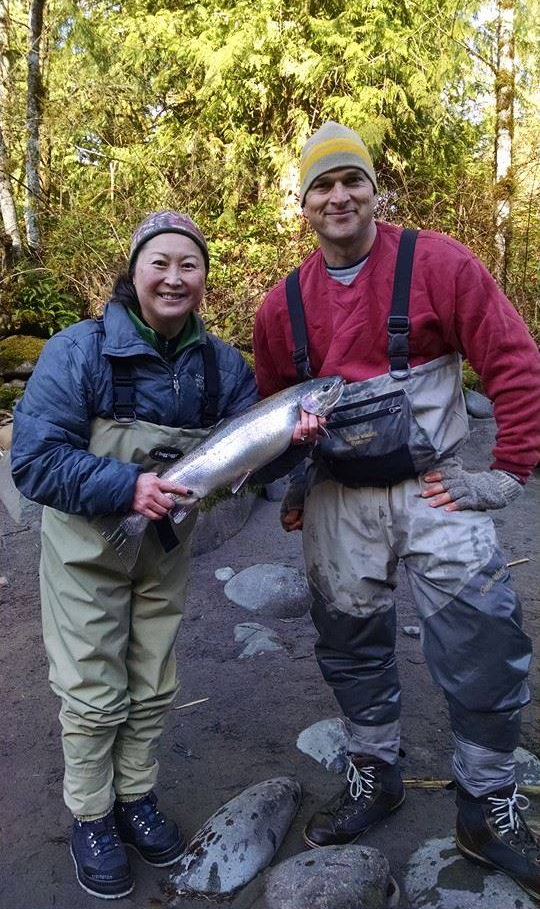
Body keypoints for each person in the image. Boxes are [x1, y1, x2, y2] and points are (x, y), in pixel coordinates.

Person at [253, 122, 540, 900]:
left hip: (437, 490)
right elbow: (274, 416)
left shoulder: (440, 263)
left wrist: (505, 472)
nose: (339, 196)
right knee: (348, 644)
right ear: (304, 205)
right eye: (323, 185)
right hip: (339, 504)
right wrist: (295, 484)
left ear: (377, 190)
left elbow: (514, 362)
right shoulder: (280, 306)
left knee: (485, 642)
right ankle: (375, 775)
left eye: (353, 181)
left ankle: (486, 805)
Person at [11, 211, 267, 900]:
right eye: (161, 263)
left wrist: (295, 436)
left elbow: (256, 462)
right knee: (94, 694)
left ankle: (135, 799)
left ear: (205, 279)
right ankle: (92, 816)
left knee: (152, 686)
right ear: (134, 272)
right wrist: (127, 484)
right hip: (87, 550)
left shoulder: (222, 367)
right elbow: (33, 464)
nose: (175, 277)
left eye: (190, 264)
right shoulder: (79, 351)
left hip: (162, 550)